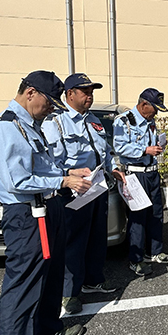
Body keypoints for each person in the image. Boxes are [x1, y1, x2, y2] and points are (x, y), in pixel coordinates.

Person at [0, 71, 92, 335]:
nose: (51, 109)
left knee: (51, 272)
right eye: (48, 102)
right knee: (23, 285)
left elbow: (38, 166)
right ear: (30, 93)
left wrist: (67, 171)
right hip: (27, 214)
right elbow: (16, 179)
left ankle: (46, 328)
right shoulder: (7, 126)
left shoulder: (29, 125)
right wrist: (62, 181)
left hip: (48, 207)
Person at [42, 73, 117, 316]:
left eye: (91, 91)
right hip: (73, 192)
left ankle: (93, 279)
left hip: (97, 186)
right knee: (73, 242)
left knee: (96, 238)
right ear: (69, 94)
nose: (89, 95)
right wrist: (68, 173)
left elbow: (104, 152)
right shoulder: (56, 122)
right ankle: (69, 292)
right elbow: (50, 163)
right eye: (84, 91)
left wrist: (114, 167)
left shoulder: (94, 120)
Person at [113, 88, 168, 276]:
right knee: (137, 218)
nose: (155, 113)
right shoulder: (124, 121)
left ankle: (154, 251)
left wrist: (158, 146)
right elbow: (119, 146)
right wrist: (145, 150)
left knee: (156, 214)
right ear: (143, 104)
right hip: (135, 174)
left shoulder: (150, 121)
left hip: (152, 172)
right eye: (154, 108)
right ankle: (136, 259)